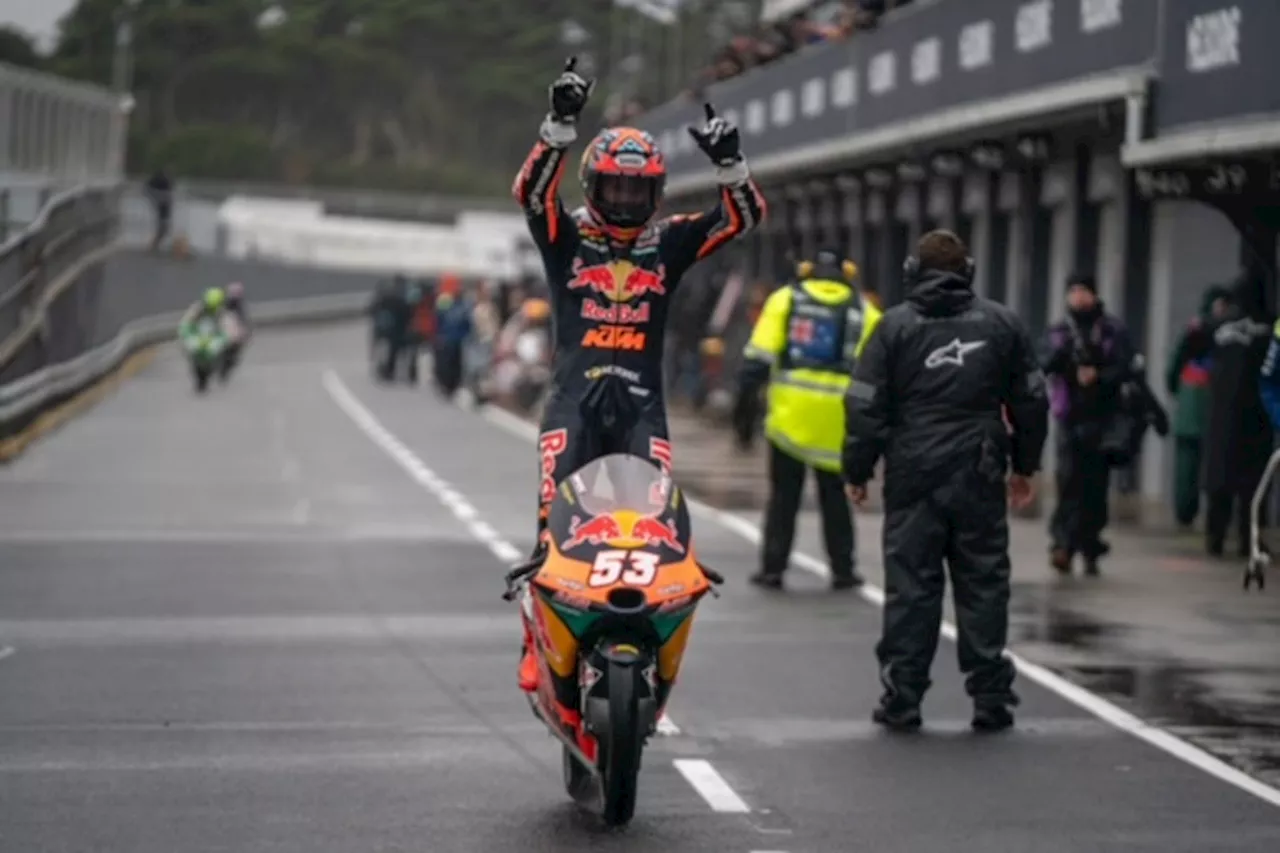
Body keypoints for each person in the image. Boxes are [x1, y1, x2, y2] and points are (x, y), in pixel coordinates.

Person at [512, 57, 765, 692]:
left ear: (655, 192)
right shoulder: (565, 236)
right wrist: (560, 125)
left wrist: (730, 165)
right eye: (615, 189)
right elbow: (530, 194)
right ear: (594, 187)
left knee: (649, 532)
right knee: (552, 539)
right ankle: (535, 650)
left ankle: (645, 655)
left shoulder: (669, 241)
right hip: (573, 402)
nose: (626, 201)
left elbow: (741, 217)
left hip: (642, 408)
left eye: (638, 191)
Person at [842, 229, 1048, 733]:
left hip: (913, 469)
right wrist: (1024, 465)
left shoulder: (894, 328)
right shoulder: (1001, 324)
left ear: (914, 272)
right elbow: (1032, 401)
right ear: (968, 271)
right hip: (980, 468)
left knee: (912, 585)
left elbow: (864, 404)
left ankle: (903, 697)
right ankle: (991, 696)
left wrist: (857, 469)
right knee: (983, 580)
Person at [734, 249, 881, 592]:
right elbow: (878, 375)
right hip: (837, 425)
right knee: (836, 500)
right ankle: (843, 570)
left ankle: (773, 568)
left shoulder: (785, 300)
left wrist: (743, 420)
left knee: (783, 498)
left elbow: (756, 361)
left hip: (790, 421)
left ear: (806, 271)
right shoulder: (865, 311)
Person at [1042, 274, 1133, 576]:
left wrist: (1099, 376)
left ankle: (1090, 545)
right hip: (1069, 415)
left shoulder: (1111, 329)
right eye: (1074, 291)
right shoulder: (1059, 330)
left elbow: (1124, 366)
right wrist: (1067, 363)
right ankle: (1063, 545)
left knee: (1095, 486)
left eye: (1084, 291)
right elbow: (1044, 364)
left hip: (1103, 417)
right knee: (1068, 480)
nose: (1079, 297)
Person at [1187, 270, 1274, 557]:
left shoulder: (1218, 326)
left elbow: (1192, 347)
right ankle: (1250, 540)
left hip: (1221, 415)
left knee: (1219, 481)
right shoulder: (1269, 327)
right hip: (1258, 415)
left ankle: (1215, 538)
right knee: (1254, 484)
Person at [1165, 285, 1230, 527]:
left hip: (1191, 408)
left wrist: (1179, 392)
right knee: (1205, 466)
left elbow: (1173, 369)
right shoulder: (1225, 334)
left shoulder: (1193, 331)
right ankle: (1202, 515)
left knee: (1188, 468)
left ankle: (1186, 513)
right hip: (1209, 411)